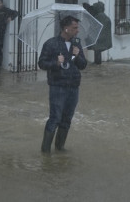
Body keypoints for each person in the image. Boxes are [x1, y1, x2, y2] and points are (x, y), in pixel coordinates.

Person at [37, 15, 86, 153]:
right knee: (55, 118)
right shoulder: (51, 44)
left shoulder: (77, 43)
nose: (77, 31)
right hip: (58, 87)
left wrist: (77, 56)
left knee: (67, 118)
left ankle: (60, 147)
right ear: (66, 28)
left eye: (77, 27)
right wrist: (56, 63)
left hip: (73, 86)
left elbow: (83, 65)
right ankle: (45, 150)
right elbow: (42, 63)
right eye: (74, 28)